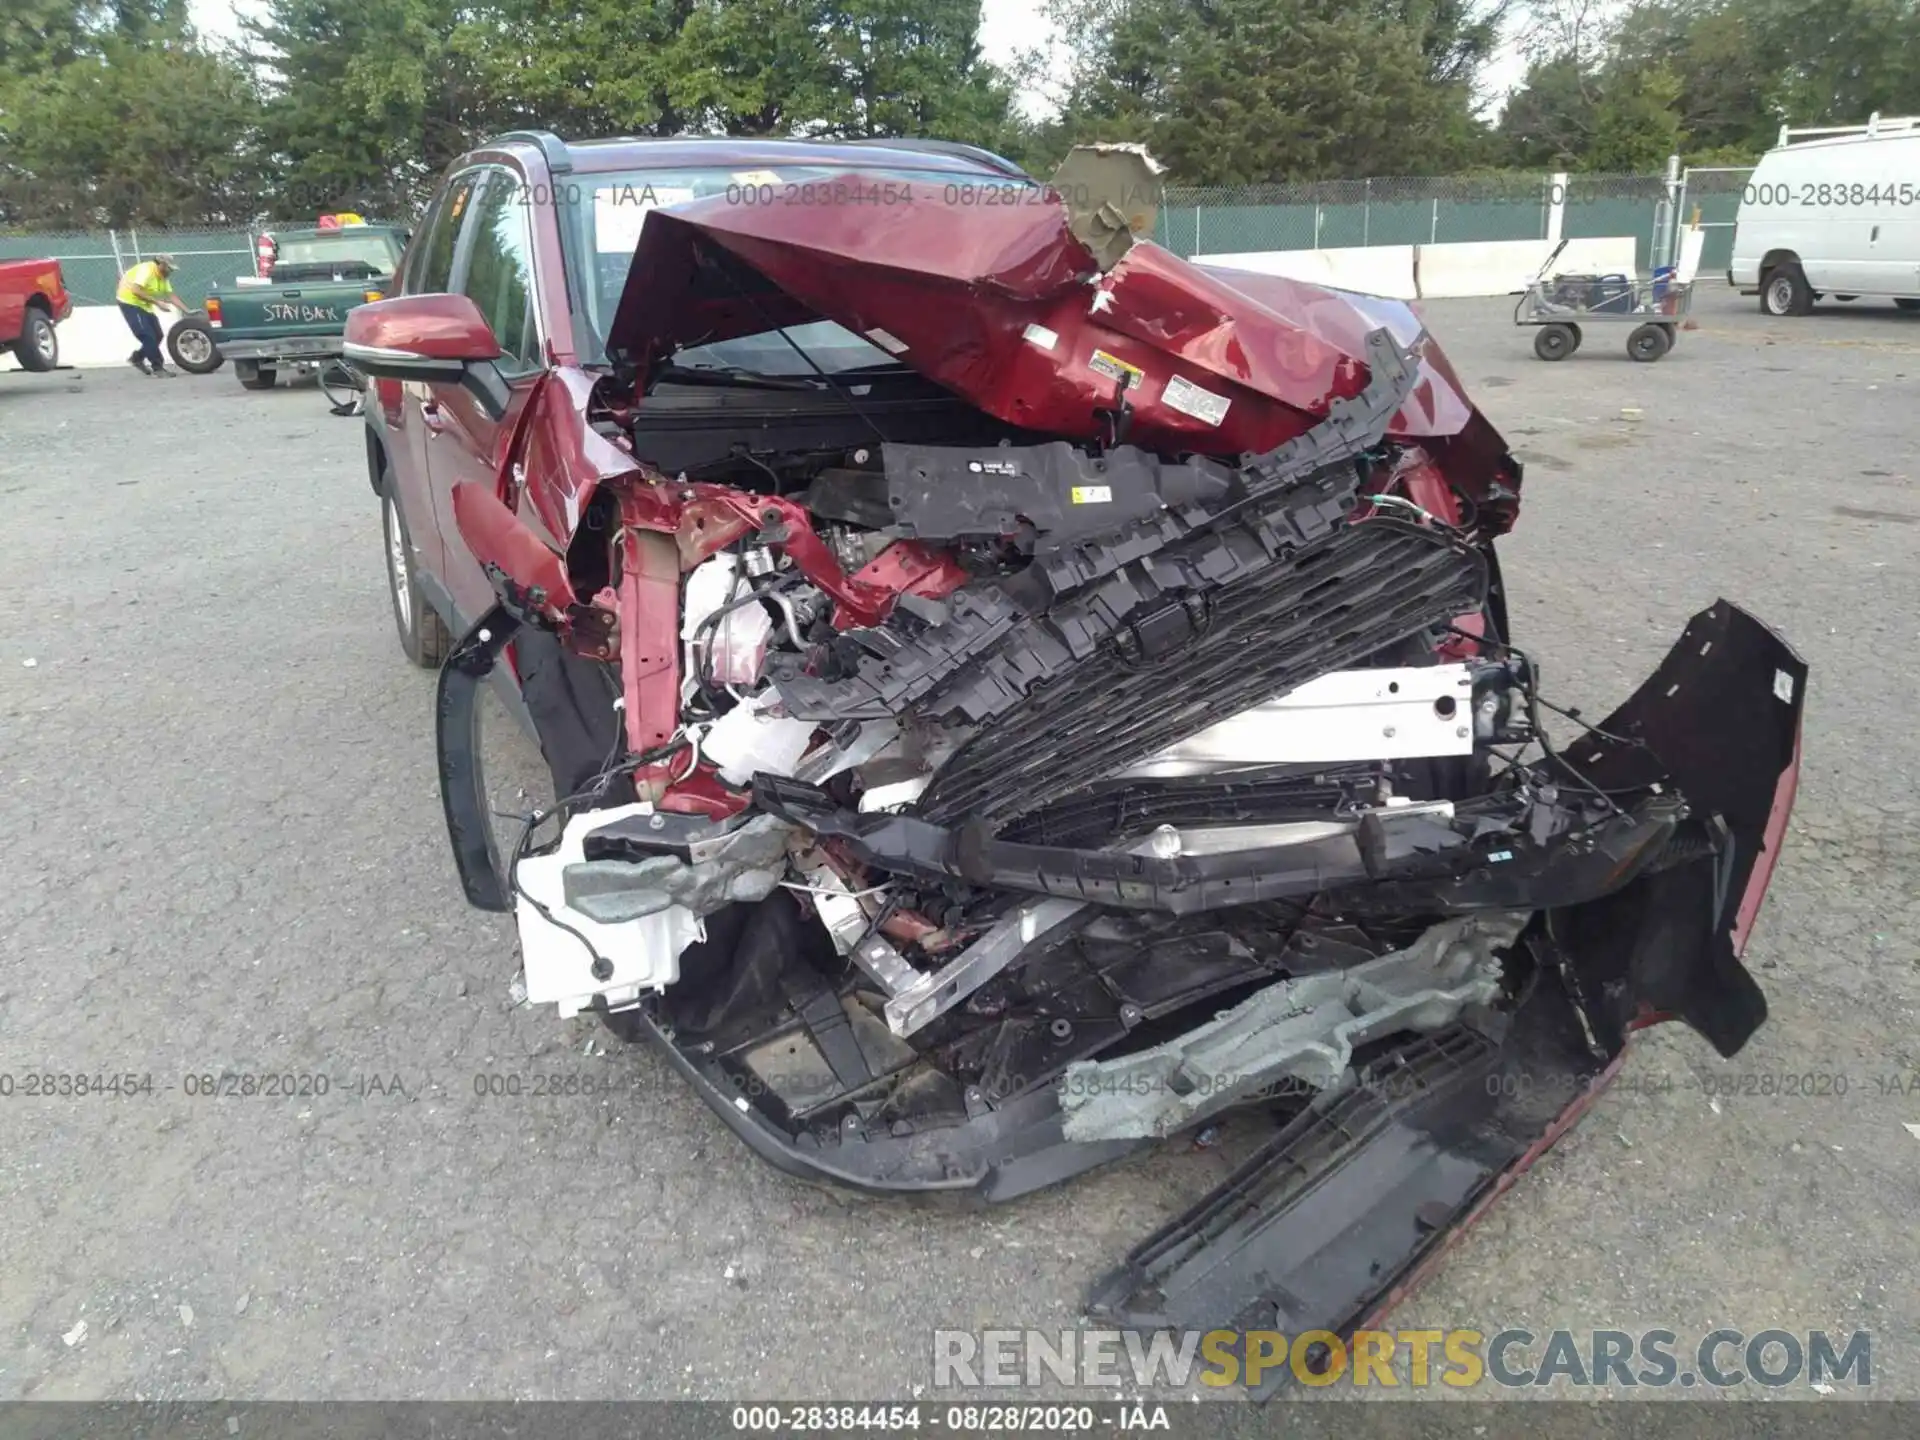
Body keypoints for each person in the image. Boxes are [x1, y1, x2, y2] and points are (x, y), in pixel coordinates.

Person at [115, 254, 187, 376]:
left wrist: (187, 310)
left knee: (158, 335)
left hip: (144, 305)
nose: (171, 271)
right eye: (169, 268)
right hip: (129, 302)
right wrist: (157, 302)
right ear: (161, 265)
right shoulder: (146, 270)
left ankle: (137, 358)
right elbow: (136, 290)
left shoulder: (163, 276)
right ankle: (158, 368)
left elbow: (171, 295)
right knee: (146, 335)